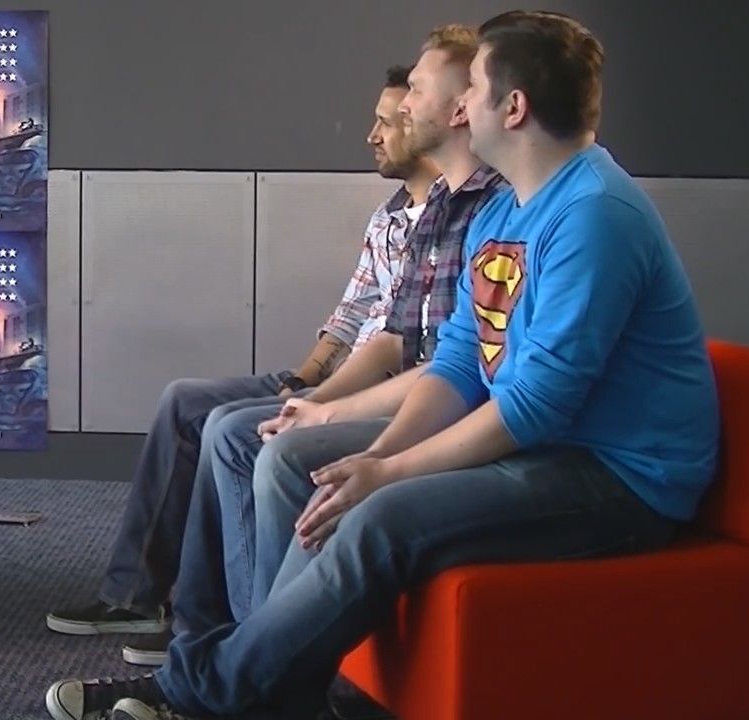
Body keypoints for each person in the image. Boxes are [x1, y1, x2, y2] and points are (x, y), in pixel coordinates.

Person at [45, 11, 719, 719]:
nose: (462, 104)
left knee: (379, 516)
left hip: (620, 477)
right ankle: (261, 692)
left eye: (473, 87)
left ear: (513, 107)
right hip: (547, 446)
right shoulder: (506, 212)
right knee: (333, 481)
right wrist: (378, 456)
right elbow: (459, 364)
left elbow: (535, 406)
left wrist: (390, 473)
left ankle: (196, 693)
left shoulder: (594, 214)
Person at [120, 26, 508, 671]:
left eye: (413, 94)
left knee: (252, 441)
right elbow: (386, 333)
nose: (384, 126)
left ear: (466, 108)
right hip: (391, 384)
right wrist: (310, 393)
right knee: (215, 418)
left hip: (431, 403)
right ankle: (213, 636)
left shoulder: (506, 208)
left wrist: (342, 423)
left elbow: (460, 370)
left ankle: (250, 651)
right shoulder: (428, 208)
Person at [44, 65, 440, 646]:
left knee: (228, 430)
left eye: (385, 122)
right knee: (184, 400)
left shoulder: (455, 219)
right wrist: (301, 379)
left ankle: (221, 629)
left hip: (381, 390)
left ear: (422, 123)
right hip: (338, 376)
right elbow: (352, 313)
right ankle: (134, 598)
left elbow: (406, 347)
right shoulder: (388, 216)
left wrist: (319, 399)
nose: (372, 136)